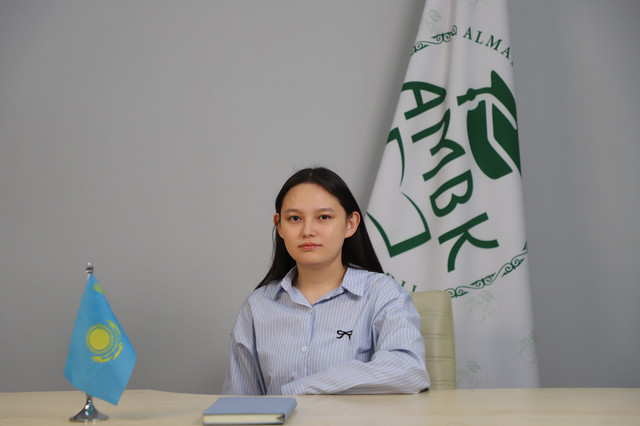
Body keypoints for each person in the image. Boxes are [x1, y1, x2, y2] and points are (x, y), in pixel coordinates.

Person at [222, 167, 430, 395]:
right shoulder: (257, 306)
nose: (308, 231)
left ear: (350, 224)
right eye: (294, 218)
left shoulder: (382, 294)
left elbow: (409, 370)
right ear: (279, 226)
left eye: (324, 217)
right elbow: (238, 403)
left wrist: (304, 388)